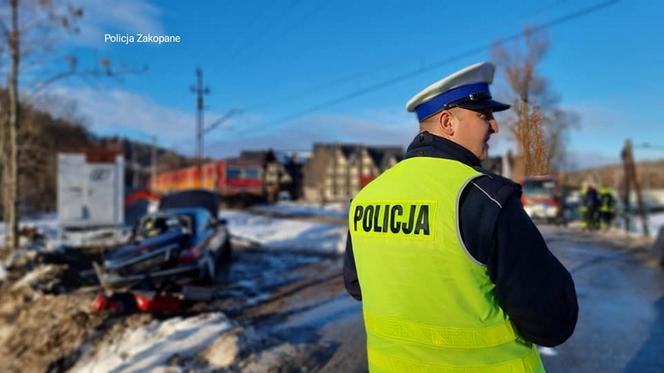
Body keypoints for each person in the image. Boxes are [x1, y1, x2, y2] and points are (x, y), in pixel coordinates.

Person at [343, 62, 578, 372]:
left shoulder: (368, 197)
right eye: (484, 116)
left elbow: (358, 285)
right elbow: (550, 321)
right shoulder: (486, 199)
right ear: (447, 122)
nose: (494, 127)